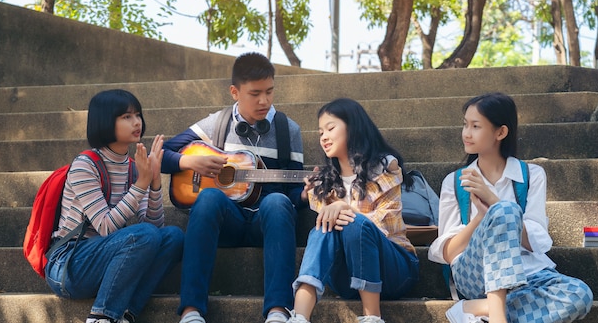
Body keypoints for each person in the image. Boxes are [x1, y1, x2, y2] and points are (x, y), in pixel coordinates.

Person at [161, 52, 307, 323]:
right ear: (234, 92)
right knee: (208, 198)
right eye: (254, 94)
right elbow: (162, 154)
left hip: (266, 223)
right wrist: (191, 161)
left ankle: (278, 310)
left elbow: (291, 194)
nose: (264, 101)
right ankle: (191, 310)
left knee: (277, 201)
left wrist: (305, 194)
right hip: (226, 222)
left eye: (269, 91)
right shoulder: (216, 124)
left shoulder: (289, 130)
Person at [428, 92, 593, 323]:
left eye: (476, 126)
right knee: (505, 211)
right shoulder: (455, 182)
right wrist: (481, 219)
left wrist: (495, 202)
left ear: (501, 132)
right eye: (465, 125)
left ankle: (478, 310)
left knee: (580, 295)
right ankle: (497, 317)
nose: (466, 133)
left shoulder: (531, 175)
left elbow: (537, 242)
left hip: (528, 274)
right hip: (474, 273)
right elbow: (447, 252)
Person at [45, 89, 185, 323]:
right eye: (126, 116)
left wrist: (154, 181)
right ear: (105, 121)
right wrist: (141, 183)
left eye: (138, 115)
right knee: (144, 235)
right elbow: (106, 228)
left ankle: (126, 313)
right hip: (69, 265)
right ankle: (101, 317)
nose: (136, 122)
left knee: (173, 236)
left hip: (107, 262)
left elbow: (154, 227)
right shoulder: (85, 165)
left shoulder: (132, 167)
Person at [287, 98, 420, 323]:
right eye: (320, 133)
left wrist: (343, 207)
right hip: (347, 279)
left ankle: (372, 317)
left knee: (353, 223)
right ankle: (299, 316)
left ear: (353, 127)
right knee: (322, 228)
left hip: (395, 270)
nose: (324, 137)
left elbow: (383, 226)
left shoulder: (385, 166)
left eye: (330, 128)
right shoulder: (324, 182)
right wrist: (333, 207)